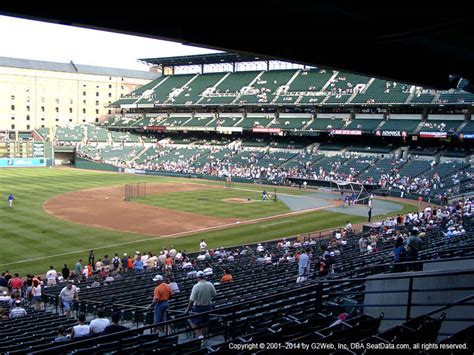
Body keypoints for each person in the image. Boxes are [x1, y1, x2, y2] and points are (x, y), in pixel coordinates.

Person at [184, 271, 217, 340]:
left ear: (197, 278)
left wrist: (187, 309)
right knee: (205, 323)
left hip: (198, 307)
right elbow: (214, 295)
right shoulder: (210, 284)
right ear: (204, 277)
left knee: (192, 321)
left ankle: (200, 336)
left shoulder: (196, 286)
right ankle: (204, 338)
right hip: (208, 306)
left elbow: (191, 300)